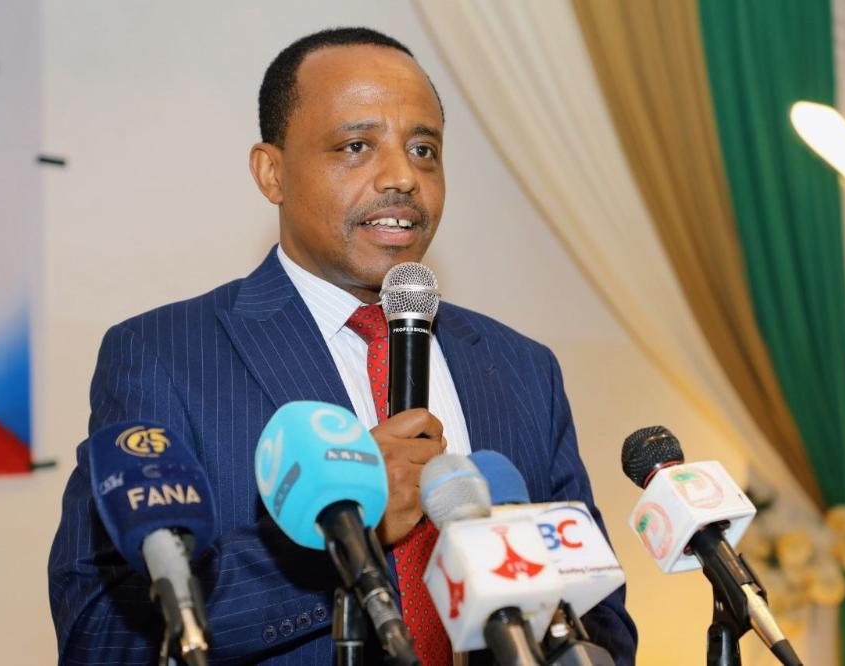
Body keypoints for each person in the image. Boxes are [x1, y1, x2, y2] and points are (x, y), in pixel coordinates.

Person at [48, 27, 636, 665]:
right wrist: (346, 535)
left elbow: (604, 619)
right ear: (272, 172)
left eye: (424, 149)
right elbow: (99, 635)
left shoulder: (522, 368)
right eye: (356, 146)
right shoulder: (165, 356)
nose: (402, 176)